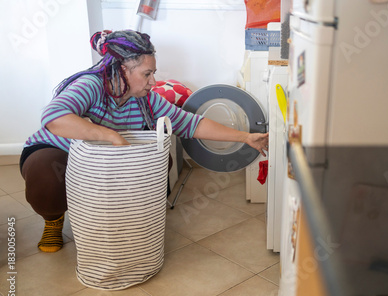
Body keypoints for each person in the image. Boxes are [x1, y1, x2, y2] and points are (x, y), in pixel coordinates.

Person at [20, 30, 269, 253]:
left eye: (153, 74)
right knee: (47, 175)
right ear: (121, 70)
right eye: (147, 74)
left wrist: (246, 137)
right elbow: (53, 117)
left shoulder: (144, 98)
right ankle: (52, 219)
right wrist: (110, 135)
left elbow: (191, 123)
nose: (153, 82)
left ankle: (118, 219)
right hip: (58, 152)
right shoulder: (92, 84)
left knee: (161, 159)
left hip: (105, 161)